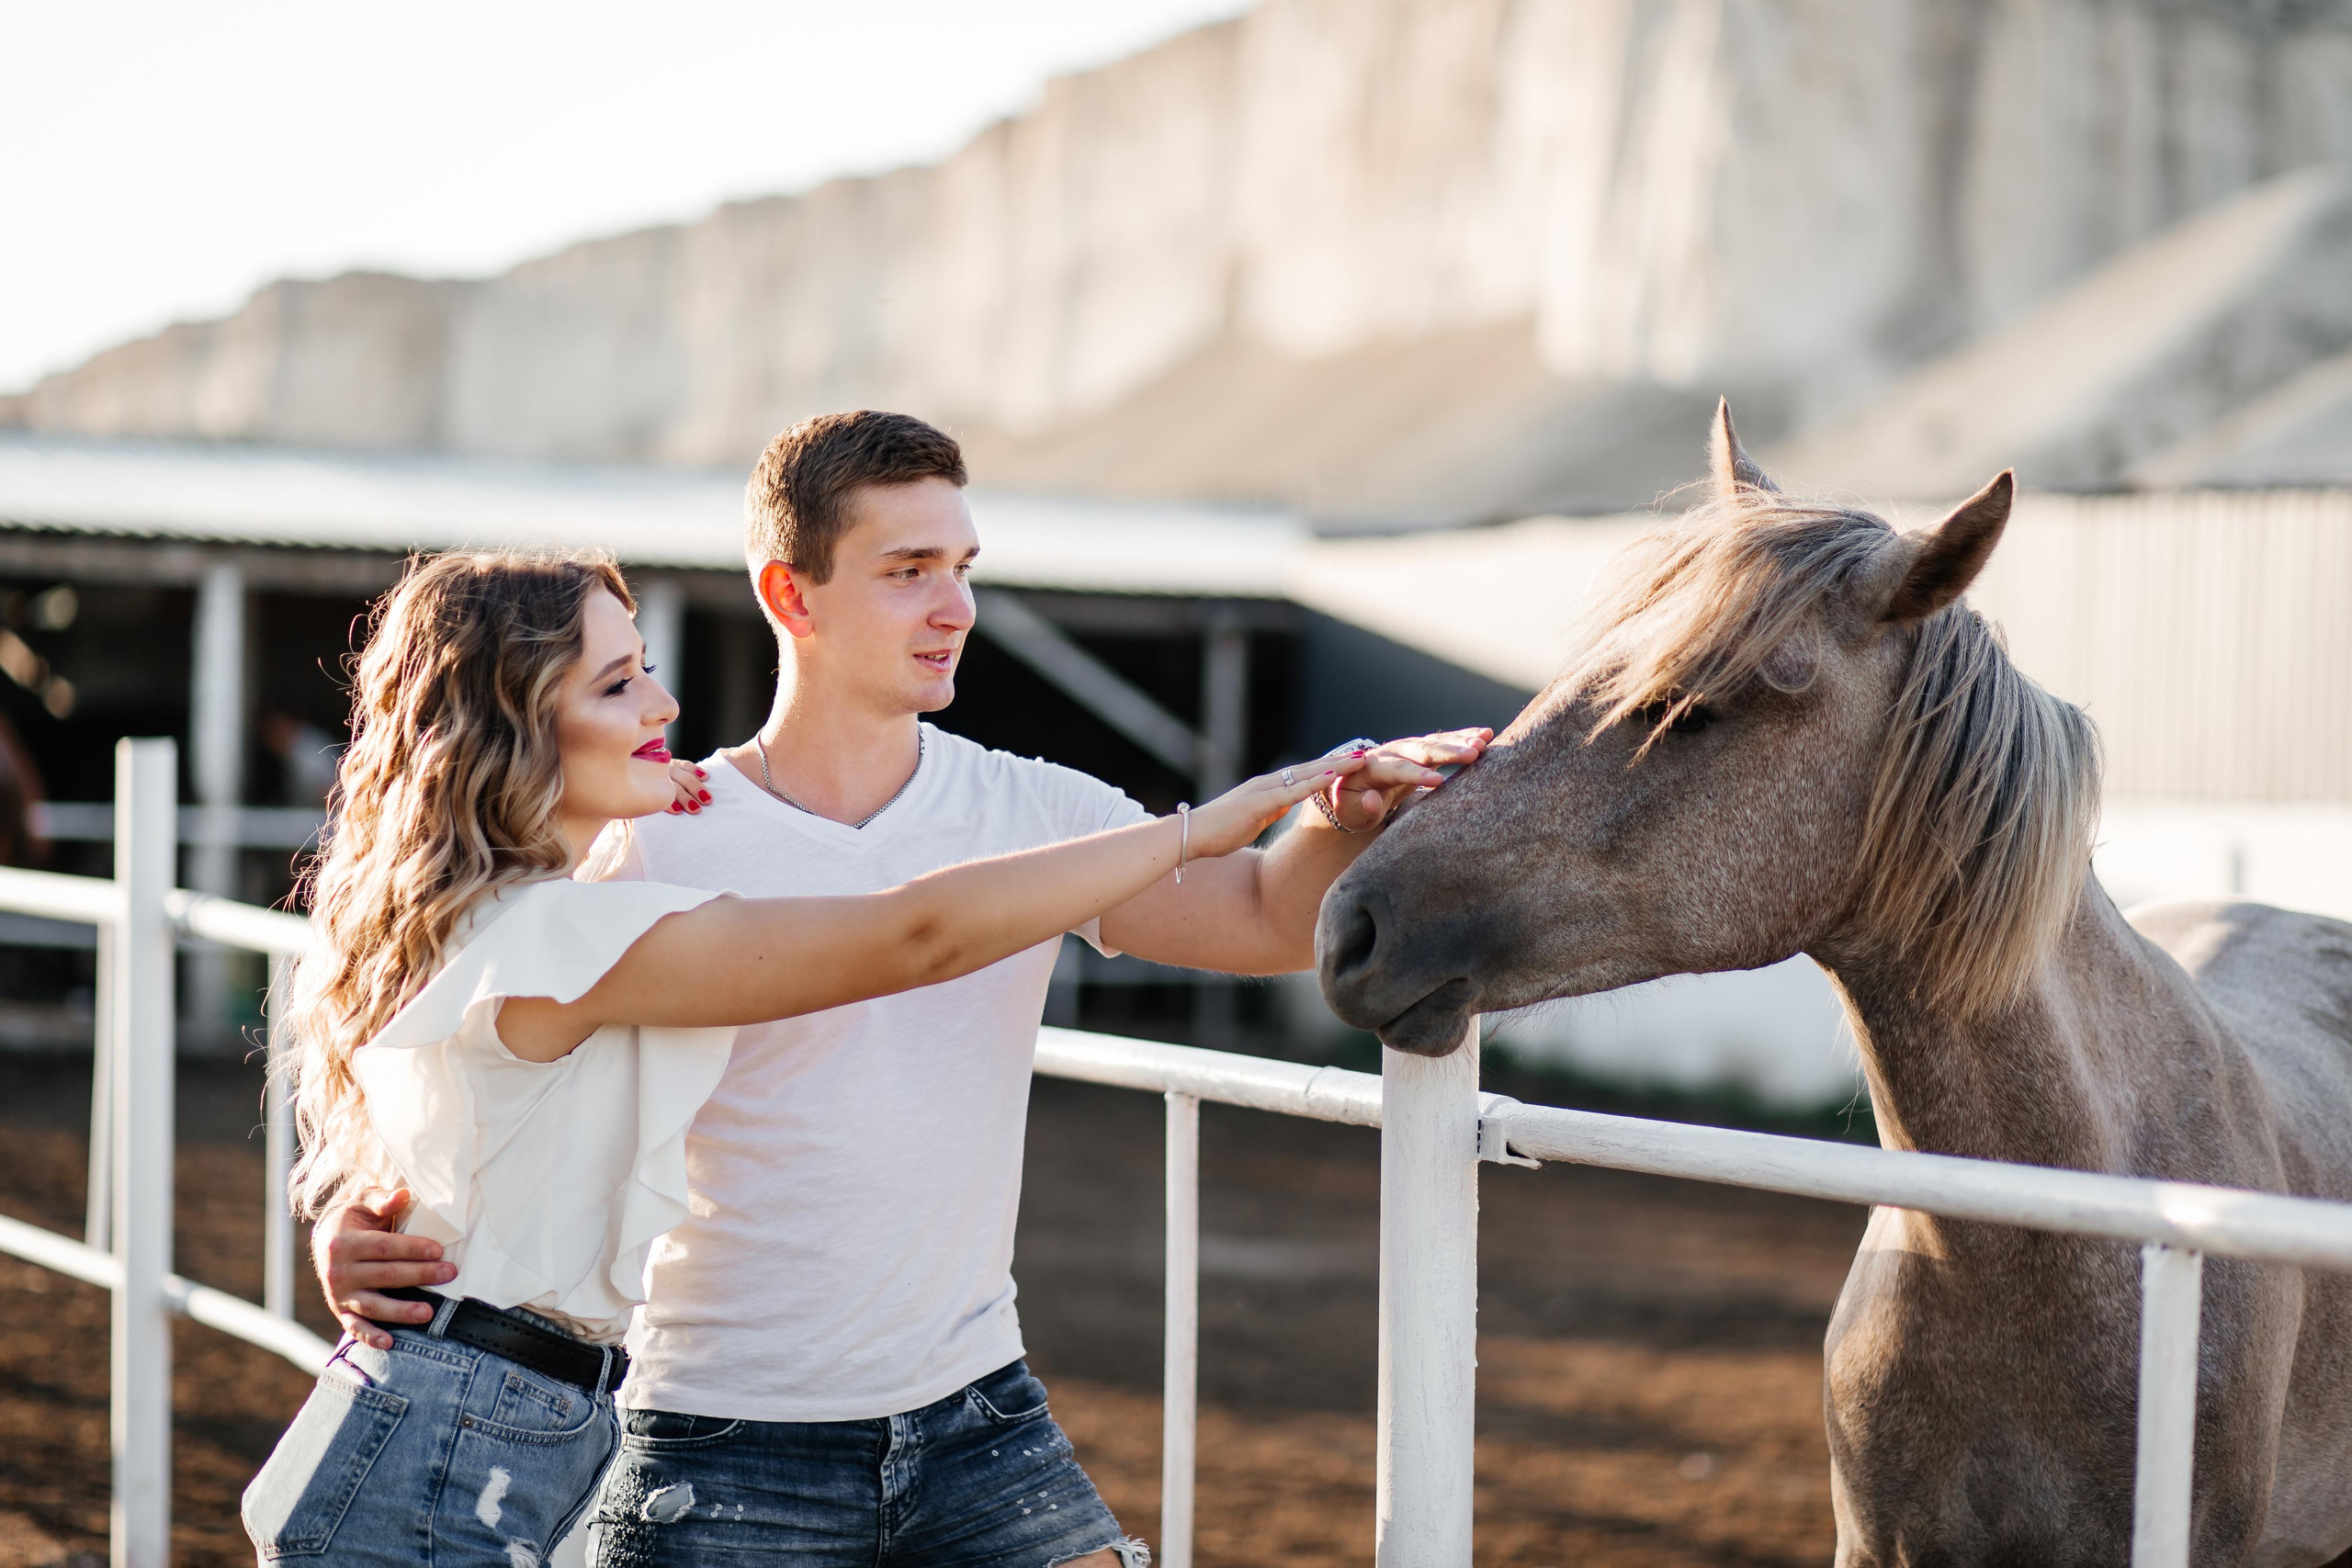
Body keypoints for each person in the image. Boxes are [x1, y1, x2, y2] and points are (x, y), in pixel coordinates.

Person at [313, 412, 1491, 1568]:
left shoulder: (1045, 812)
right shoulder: (644, 837)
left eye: (964, 567)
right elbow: (466, 1047)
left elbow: (1266, 918)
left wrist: (1338, 820)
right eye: (909, 570)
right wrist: (356, 1220)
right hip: (719, 1438)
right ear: (791, 595)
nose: (956, 608)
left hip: (977, 1414)